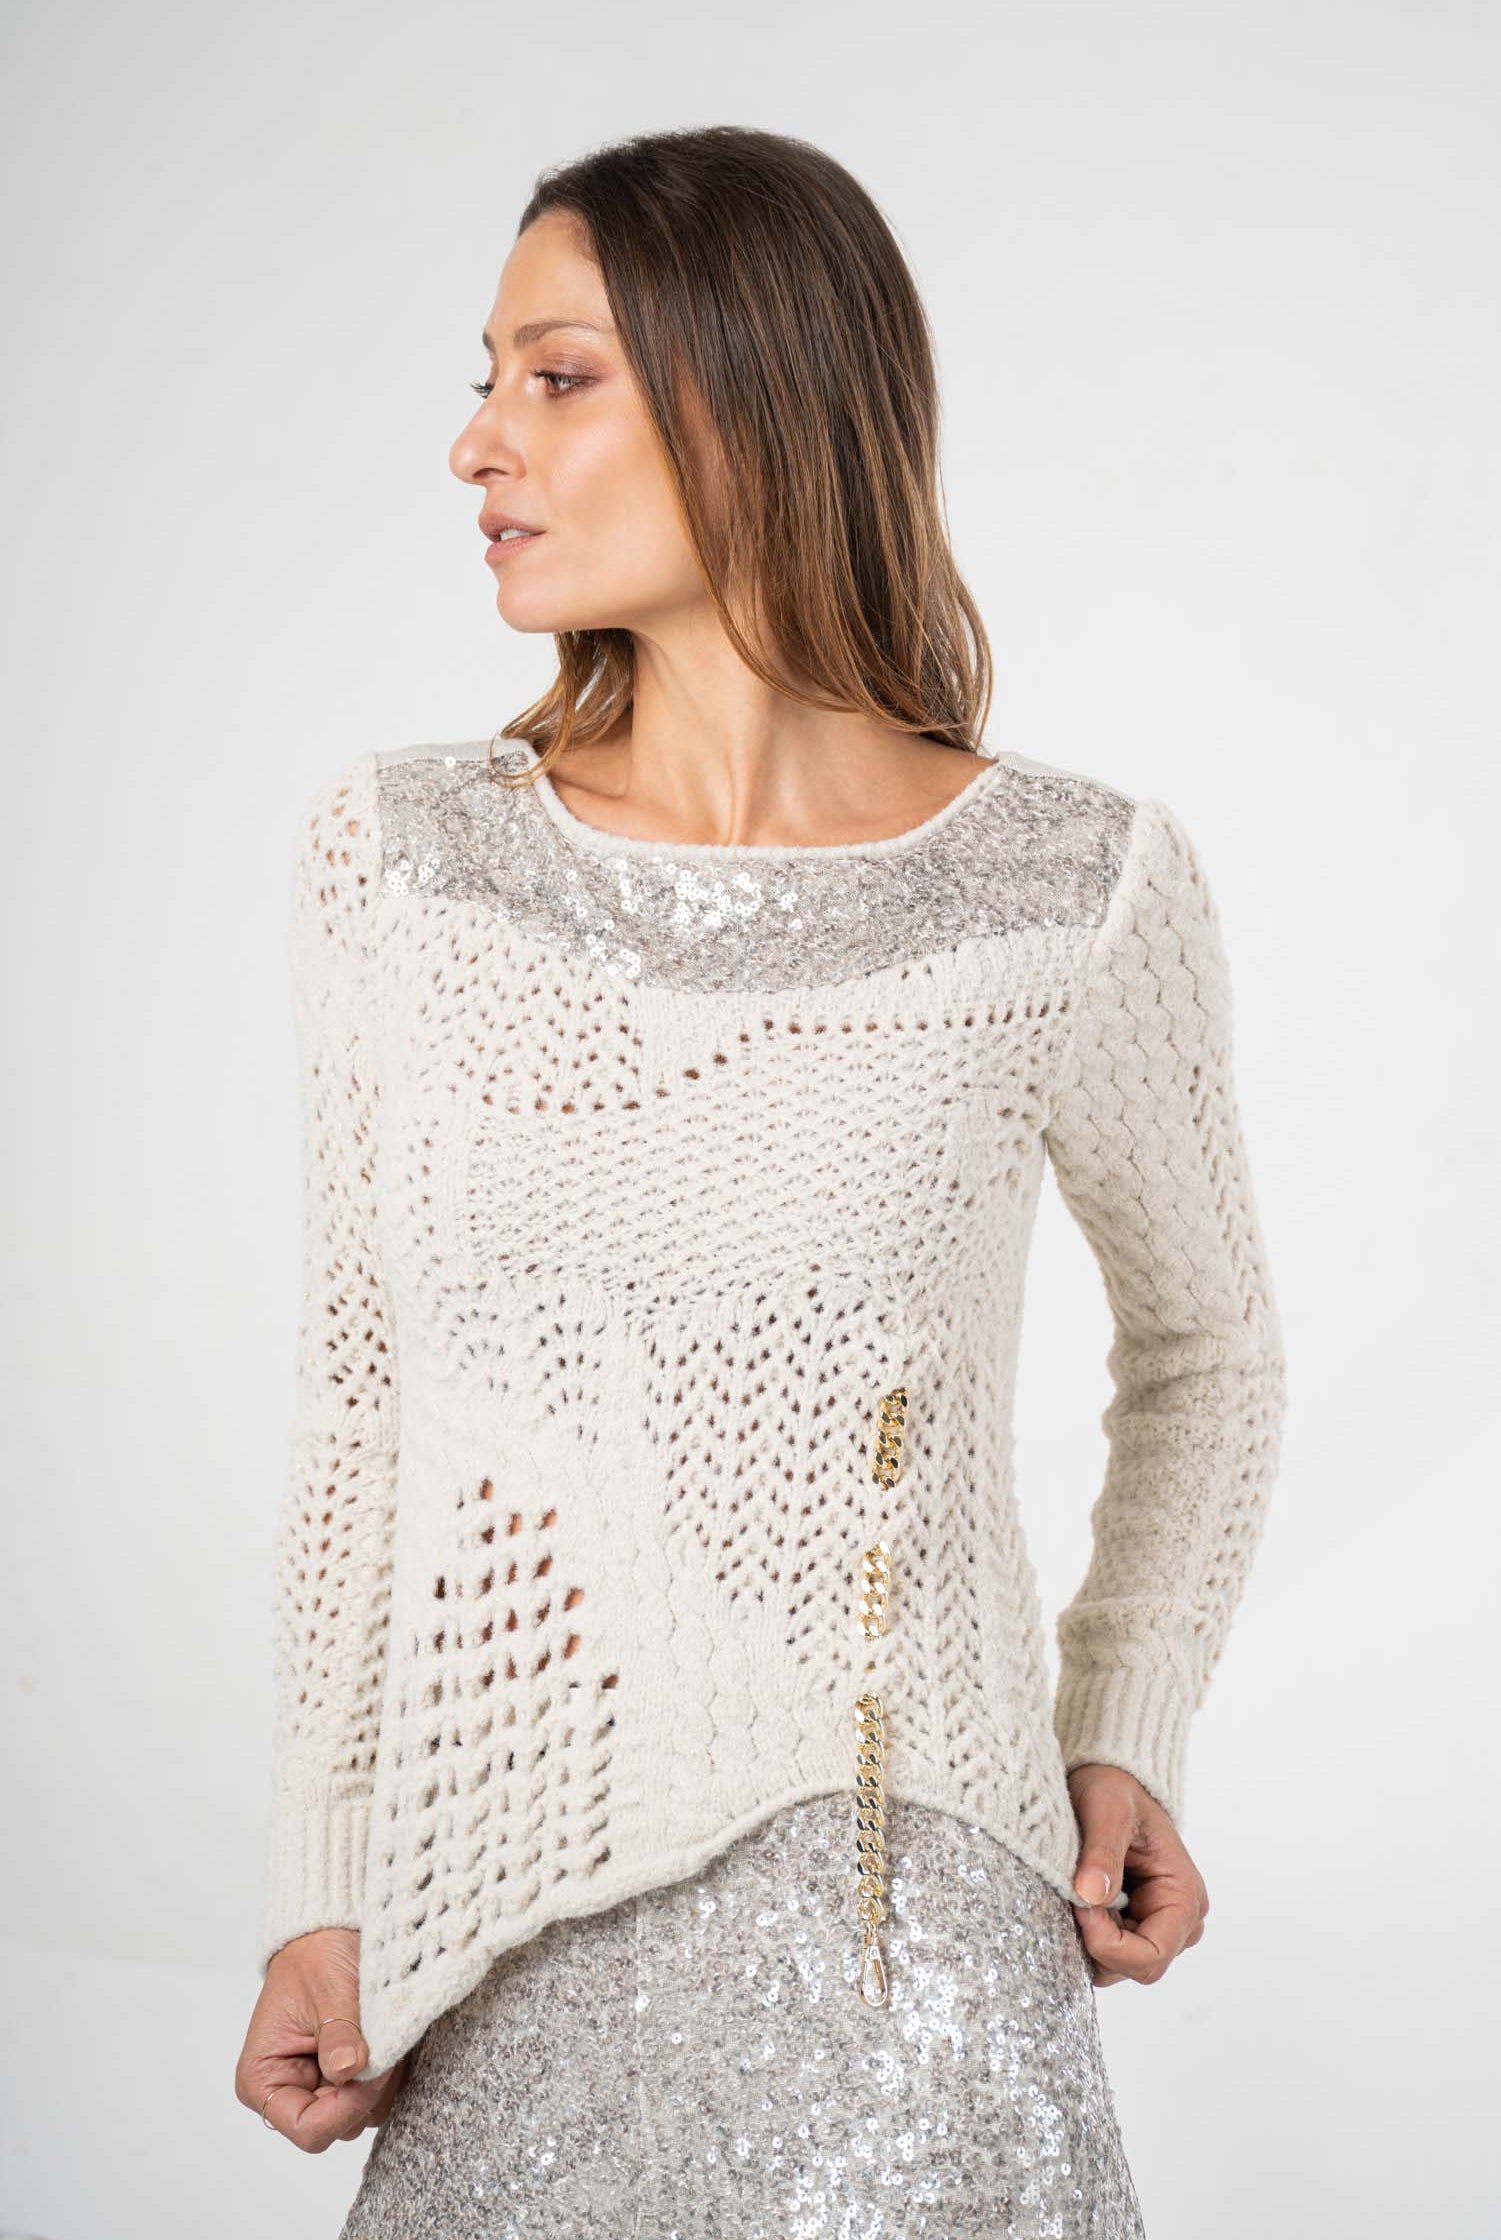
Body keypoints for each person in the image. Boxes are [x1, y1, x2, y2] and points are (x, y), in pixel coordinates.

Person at [234, 123, 1287, 2237]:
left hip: (922, 1931)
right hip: (501, 1926)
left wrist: (1122, 1718)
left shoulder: (1068, 886)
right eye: (487, 379)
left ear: (754, 399)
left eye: (556, 378)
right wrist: (322, 1881)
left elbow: (1208, 1350)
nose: (475, 443)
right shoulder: (410, 860)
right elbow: (366, 1399)